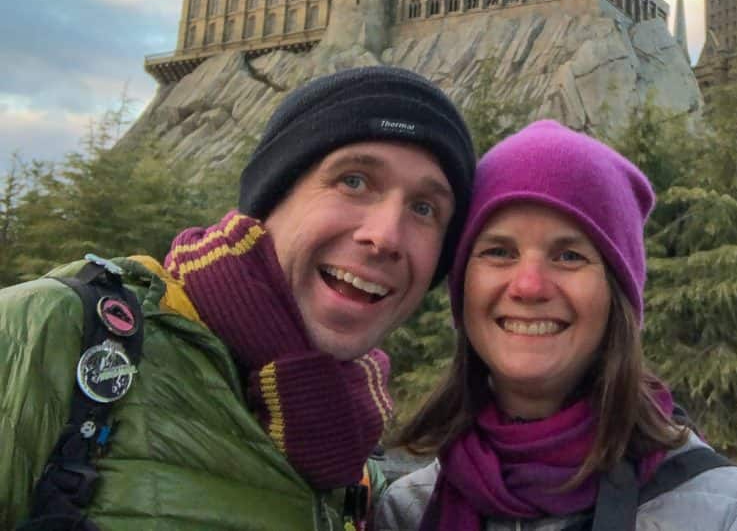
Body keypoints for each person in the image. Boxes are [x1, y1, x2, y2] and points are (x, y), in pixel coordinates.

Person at [0, 66, 476, 530]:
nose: (386, 236)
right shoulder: (52, 330)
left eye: (424, 208)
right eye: (353, 180)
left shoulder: (353, 461)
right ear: (272, 200)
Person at [376, 120, 737, 530]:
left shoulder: (735, 517)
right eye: (499, 251)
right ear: (462, 286)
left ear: (617, 296)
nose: (529, 286)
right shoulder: (411, 512)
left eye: (569, 256)